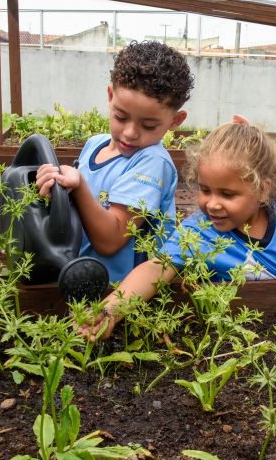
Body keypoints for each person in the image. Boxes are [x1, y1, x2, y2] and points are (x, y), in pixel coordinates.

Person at [80, 117, 276, 364]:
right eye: (205, 190)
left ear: (263, 190)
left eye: (227, 194)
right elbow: (154, 269)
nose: (212, 204)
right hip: (227, 341)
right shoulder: (197, 229)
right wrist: (111, 309)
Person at [36, 41, 194, 284]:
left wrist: (78, 187)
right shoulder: (94, 144)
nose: (130, 133)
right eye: (121, 117)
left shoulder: (151, 161)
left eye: (149, 125)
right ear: (111, 96)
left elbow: (110, 241)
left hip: (117, 293)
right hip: (79, 280)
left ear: (175, 120)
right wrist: (54, 188)